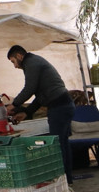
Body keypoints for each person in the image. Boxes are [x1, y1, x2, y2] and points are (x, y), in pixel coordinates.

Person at [6, 45, 76, 184]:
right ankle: (67, 178)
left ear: (20, 56)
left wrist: (14, 105)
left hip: (60, 107)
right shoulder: (35, 62)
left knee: (57, 143)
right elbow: (40, 95)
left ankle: (62, 179)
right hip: (63, 105)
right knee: (62, 142)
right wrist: (27, 112)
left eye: (13, 61)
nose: (14, 66)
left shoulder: (31, 63)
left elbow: (29, 88)